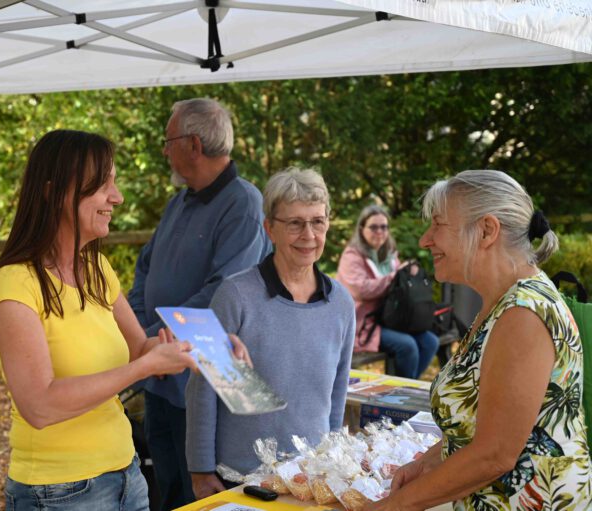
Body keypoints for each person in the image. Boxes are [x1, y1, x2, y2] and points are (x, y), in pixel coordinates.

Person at [0, 130, 214, 510]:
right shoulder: (13, 284)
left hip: (127, 474)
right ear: (54, 192)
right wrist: (143, 367)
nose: (117, 196)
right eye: (102, 184)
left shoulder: (97, 268)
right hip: (57, 492)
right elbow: (39, 406)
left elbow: (141, 347)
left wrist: (212, 345)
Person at [364, 170, 591, 510]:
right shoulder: (503, 304)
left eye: (438, 225)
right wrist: (426, 463)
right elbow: (481, 424)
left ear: (486, 230)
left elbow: (495, 455)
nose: (426, 240)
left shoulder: (523, 314)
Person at [128, 98, 271, 509]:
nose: (164, 150)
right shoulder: (181, 200)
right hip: (160, 372)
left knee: (203, 496)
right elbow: (145, 272)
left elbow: (223, 290)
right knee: (166, 487)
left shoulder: (244, 203)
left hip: (205, 381)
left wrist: (161, 337)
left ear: (192, 143)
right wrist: (146, 336)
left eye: (168, 140)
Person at [185, 168, 356, 499]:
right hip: (240, 478)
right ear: (270, 229)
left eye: (317, 221)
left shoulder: (341, 303)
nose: (308, 234)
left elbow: (337, 392)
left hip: (311, 477)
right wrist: (200, 470)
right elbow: (203, 388)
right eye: (295, 223)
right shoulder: (235, 295)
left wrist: (332, 465)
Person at [337, 205, 439, 379]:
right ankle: (403, 392)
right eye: (374, 227)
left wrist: (408, 274)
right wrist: (396, 276)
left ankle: (407, 387)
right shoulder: (352, 256)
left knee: (430, 341)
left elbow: (399, 286)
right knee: (407, 346)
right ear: (362, 229)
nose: (379, 232)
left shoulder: (389, 254)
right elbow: (361, 290)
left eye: (384, 227)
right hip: (364, 322)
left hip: (391, 318)